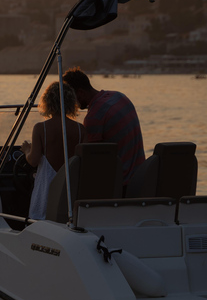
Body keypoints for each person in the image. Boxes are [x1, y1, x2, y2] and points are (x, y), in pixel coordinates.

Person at [62, 67, 145, 188]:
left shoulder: (94, 117)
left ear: (80, 93)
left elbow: (92, 161)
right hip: (140, 177)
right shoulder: (120, 97)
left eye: (72, 98)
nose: (73, 103)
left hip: (121, 184)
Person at [21, 81, 85, 220]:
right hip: (70, 191)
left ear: (47, 102)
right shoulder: (81, 130)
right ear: (70, 102)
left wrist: (27, 150)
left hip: (47, 193)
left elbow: (33, 161)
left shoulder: (40, 129)